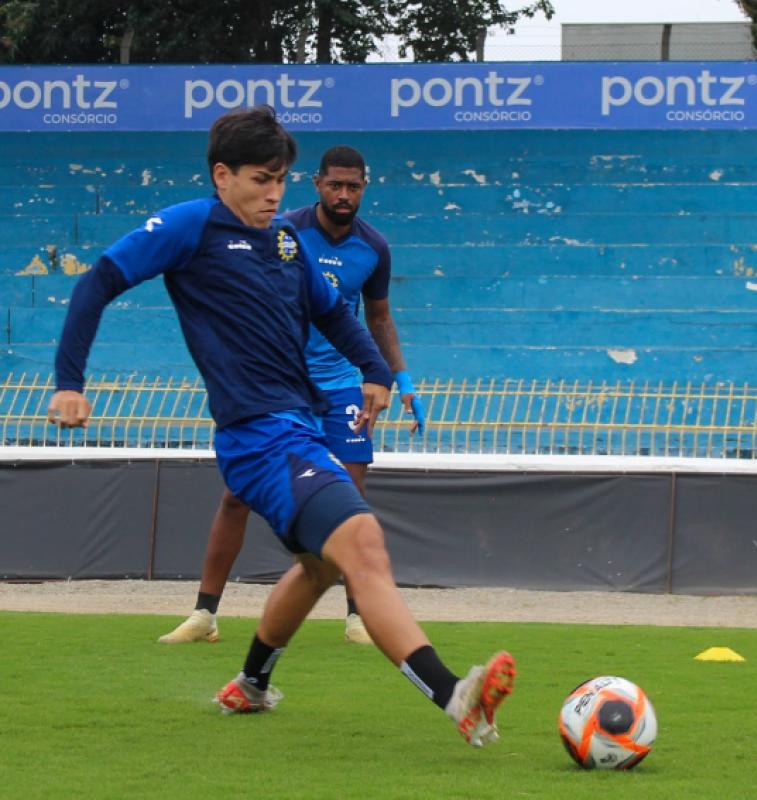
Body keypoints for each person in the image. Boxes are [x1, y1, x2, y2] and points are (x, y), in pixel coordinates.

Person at [48, 106, 514, 745]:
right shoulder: (190, 226)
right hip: (259, 436)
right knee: (361, 543)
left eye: (282, 181)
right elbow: (98, 280)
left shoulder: (287, 242)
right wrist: (70, 383)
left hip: (298, 426)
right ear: (223, 175)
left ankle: (252, 684)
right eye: (262, 179)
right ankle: (454, 697)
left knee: (319, 567)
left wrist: (374, 371)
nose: (274, 194)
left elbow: (334, 314)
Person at [157, 144, 426, 647]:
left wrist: (400, 377)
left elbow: (378, 317)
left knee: (350, 493)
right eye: (335, 184)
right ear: (318, 183)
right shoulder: (285, 232)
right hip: (284, 385)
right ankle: (205, 614)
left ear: (364, 188)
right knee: (236, 496)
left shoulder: (375, 248)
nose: (344, 194)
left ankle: (356, 617)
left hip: (345, 382)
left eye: (354, 186)